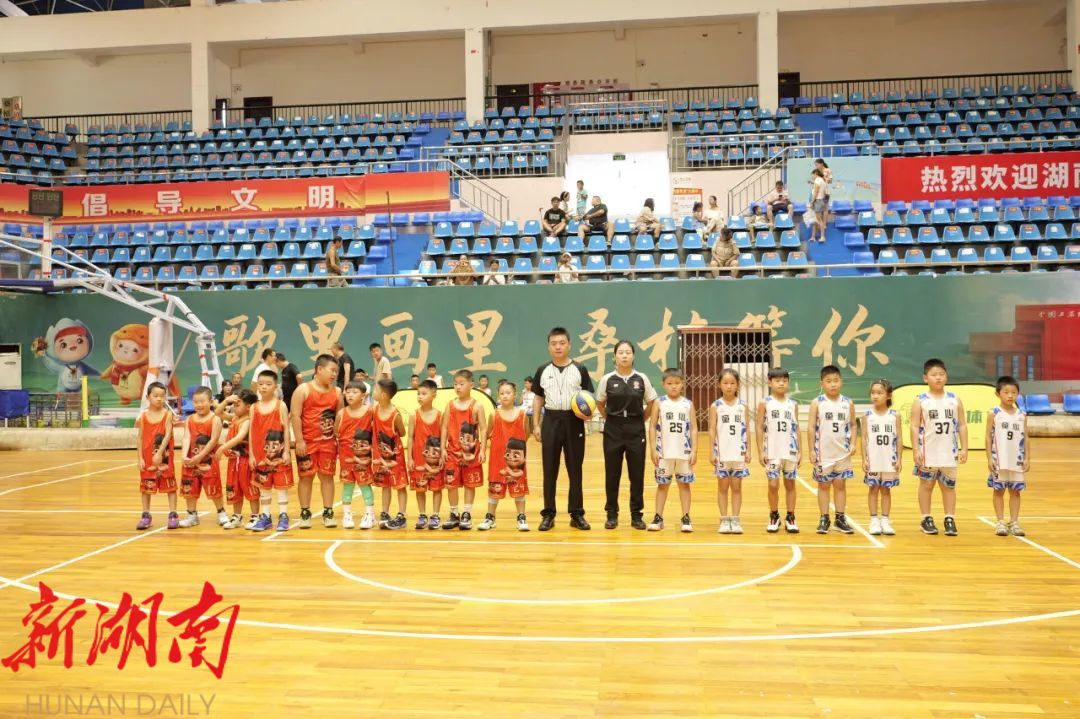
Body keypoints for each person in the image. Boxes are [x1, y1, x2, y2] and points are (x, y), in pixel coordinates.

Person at [531, 327, 594, 531]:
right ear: (548, 346)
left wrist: (588, 415)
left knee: (575, 469)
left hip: (573, 421)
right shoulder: (542, 370)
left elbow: (589, 398)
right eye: (554, 343)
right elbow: (538, 398)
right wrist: (536, 424)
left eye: (562, 343)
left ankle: (577, 513)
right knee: (549, 469)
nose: (558, 347)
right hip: (551, 420)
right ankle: (548, 514)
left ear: (569, 345)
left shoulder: (580, 369)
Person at [596, 340, 657, 530]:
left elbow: (652, 401)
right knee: (612, 474)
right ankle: (611, 514)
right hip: (613, 430)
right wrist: (610, 419)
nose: (624, 355)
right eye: (621, 352)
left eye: (628, 352)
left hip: (635, 429)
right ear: (614, 356)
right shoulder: (607, 379)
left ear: (633, 356)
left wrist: (641, 419)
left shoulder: (642, 378)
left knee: (636, 474)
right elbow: (600, 403)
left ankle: (636, 515)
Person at [911, 358, 968, 536]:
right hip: (928, 451)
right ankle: (926, 518)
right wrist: (915, 449)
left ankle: (949, 518)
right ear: (925, 378)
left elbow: (962, 425)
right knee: (926, 485)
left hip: (949, 451)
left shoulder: (954, 399)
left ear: (946, 376)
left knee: (948, 486)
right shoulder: (921, 400)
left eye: (941, 374)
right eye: (934, 375)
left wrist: (964, 448)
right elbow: (914, 426)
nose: (938, 378)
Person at [290, 353, 342, 529]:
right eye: (332, 370)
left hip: (328, 443)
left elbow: (340, 418)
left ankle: (328, 512)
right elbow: (295, 416)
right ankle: (305, 513)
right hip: (307, 442)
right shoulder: (303, 390)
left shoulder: (337, 392)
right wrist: (299, 441)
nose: (334, 374)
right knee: (306, 477)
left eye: (336, 371)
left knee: (327, 477)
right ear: (319, 369)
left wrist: (339, 441)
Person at [646, 368, 697, 532]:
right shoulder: (659, 402)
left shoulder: (688, 404)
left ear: (682, 384)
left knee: (684, 485)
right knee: (662, 485)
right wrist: (653, 449)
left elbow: (694, 428)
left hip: (684, 451)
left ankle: (686, 517)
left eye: (677, 383)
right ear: (663, 385)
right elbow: (652, 426)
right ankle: (658, 517)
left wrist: (694, 450)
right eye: (669, 383)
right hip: (664, 452)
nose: (673, 386)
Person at [808, 365, 856, 535]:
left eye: (836, 380)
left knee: (840, 485)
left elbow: (853, 424)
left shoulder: (848, 403)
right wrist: (811, 450)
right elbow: (811, 427)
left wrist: (853, 443)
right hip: (823, 453)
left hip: (842, 453)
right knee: (823, 485)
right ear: (822, 383)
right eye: (829, 381)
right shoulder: (817, 402)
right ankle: (824, 517)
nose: (833, 384)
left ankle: (840, 518)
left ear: (841, 381)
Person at [479, 380, 530, 531]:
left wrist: (516, 453)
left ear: (515, 395)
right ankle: (490, 518)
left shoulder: (522, 415)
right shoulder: (494, 415)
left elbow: (526, 434)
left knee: (518, 488)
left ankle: (521, 517)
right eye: (502, 393)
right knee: (494, 488)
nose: (505, 396)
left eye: (508, 393)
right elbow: (487, 433)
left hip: (516, 462)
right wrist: (483, 450)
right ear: (498, 396)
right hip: (497, 460)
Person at [441, 369, 487, 530]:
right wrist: (442, 448)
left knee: (470, 483)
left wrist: (483, 450)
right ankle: (454, 513)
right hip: (452, 451)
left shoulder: (477, 406)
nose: (458, 387)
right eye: (455, 384)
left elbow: (483, 429)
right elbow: (444, 427)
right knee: (451, 484)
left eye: (461, 384)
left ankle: (467, 513)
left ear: (471, 385)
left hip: (471, 453)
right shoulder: (450, 405)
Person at [756, 367, 800, 534]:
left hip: (790, 449)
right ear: (770, 382)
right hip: (772, 450)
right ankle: (774, 515)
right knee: (773, 484)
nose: (781, 383)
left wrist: (800, 450)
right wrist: (761, 450)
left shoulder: (792, 404)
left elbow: (796, 428)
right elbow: (759, 427)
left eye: (784, 381)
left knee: (790, 483)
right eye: (777, 380)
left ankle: (791, 516)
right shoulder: (765, 403)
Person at [249, 369, 293, 532]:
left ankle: (283, 516)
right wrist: (252, 454)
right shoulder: (253, 407)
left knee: (281, 486)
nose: (264, 387)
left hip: (279, 455)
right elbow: (251, 432)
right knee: (264, 487)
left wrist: (286, 451)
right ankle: (266, 517)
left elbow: (286, 429)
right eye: (261, 384)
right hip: (260, 454)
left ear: (275, 386)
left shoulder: (281, 405)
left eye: (268, 384)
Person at [178, 386, 227, 529]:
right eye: (195, 402)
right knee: (189, 488)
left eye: (202, 401)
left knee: (213, 487)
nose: (199, 405)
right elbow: (186, 437)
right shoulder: (189, 419)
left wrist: (200, 456)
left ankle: (221, 513)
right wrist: (184, 455)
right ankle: (191, 515)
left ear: (211, 402)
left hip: (208, 461)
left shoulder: (215, 419)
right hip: (191, 460)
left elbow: (213, 441)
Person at [709, 368, 751, 535]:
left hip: (738, 452)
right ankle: (724, 519)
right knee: (723, 487)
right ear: (719, 384)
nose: (729, 386)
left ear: (738, 385)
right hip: (722, 453)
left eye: (732, 383)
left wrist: (748, 450)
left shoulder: (743, 406)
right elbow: (712, 429)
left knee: (737, 487)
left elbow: (747, 429)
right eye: (725, 383)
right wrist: (712, 451)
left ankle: (735, 519)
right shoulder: (716, 406)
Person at [987, 375, 1029, 537]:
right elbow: (988, 437)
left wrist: (1027, 458)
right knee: (999, 490)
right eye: (1006, 392)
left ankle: (1014, 522)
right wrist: (989, 458)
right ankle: (1000, 522)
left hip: (1016, 459)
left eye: (1014, 392)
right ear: (998, 394)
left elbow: (1026, 437)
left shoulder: (1021, 414)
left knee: (1015, 491)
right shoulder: (994, 413)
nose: (1010, 396)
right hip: (999, 459)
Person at [214, 389, 260, 530]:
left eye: (237, 404)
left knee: (249, 488)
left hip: (245, 460)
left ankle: (255, 516)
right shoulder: (234, 417)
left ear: (248, 407)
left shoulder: (247, 421)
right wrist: (226, 401)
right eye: (234, 404)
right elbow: (218, 413)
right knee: (234, 488)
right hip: (233, 461)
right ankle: (237, 516)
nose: (234, 407)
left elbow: (239, 437)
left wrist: (222, 448)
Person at [135, 381, 178, 530]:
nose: (159, 399)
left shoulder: (167, 414)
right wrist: (140, 458)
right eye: (156, 396)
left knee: (170, 486)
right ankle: (146, 515)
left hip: (164, 457)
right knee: (146, 488)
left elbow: (168, 435)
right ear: (148, 397)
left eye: (162, 396)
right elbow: (140, 438)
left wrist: (160, 453)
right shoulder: (143, 417)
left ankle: (173, 514)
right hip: (148, 458)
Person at [863, 378, 901, 537]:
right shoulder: (867, 415)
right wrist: (865, 458)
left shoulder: (894, 415)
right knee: (873, 489)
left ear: (888, 395)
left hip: (889, 459)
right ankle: (873, 520)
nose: (875, 396)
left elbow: (899, 438)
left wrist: (899, 459)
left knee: (886, 489)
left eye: (879, 393)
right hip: (873, 459)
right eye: (873, 393)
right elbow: (864, 438)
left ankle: (885, 520)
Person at [336, 380, 375, 530]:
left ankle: (370, 514)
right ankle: (347, 515)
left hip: (363, 457)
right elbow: (336, 432)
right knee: (348, 484)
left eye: (354, 392)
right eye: (348, 392)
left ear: (363, 396)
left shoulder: (370, 412)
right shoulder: (341, 413)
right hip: (346, 456)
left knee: (365, 484)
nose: (350, 395)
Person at [372, 379, 409, 529]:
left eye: (376, 389)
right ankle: (385, 512)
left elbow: (402, 432)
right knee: (385, 485)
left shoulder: (395, 414)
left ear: (383, 395)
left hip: (395, 457)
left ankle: (401, 515)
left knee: (400, 485)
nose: (373, 392)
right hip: (381, 456)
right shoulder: (374, 410)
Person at [409, 379, 444, 529]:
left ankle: (435, 515)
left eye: (424, 393)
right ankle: (422, 514)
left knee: (437, 488)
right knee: (420, 488)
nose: (420, 396)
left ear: (434, 394)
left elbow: (443, 437)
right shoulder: (414, 415)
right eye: (418, 393)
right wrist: (410, 458)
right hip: (418, 458)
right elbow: (410, 437)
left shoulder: (440, 415)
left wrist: (442, 454)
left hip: (435, 459)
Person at [809, 167, 828, 243]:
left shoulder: (817, 180)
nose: (812, 176)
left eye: (812, 175)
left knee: (819, 220)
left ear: (816, 173)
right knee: (815, 220)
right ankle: (813, 237)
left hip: (817, 201)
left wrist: (812, 202)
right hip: (821, 200)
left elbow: (816, 193)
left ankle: (822, 237)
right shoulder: (822, 180)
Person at [815, 158, 833, 227]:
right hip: (818, 192)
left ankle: (824, 224)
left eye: (817, 165)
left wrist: (824, 178)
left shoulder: (828, 170)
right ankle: (820, 224)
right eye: (815, 165)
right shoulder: (816, 171)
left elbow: (830, 181)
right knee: (818, 209)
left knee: (825, 208)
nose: (816, 166)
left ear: (821, 164)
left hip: (825, 192)